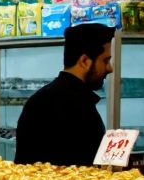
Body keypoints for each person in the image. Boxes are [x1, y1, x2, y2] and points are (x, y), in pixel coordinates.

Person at [13, 23, 115, 167]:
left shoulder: (41, 99)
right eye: (105, 60)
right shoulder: (76, 107)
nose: (110, 68)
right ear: (85, 61)